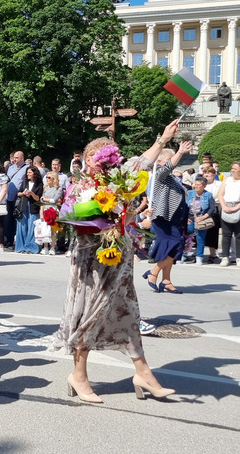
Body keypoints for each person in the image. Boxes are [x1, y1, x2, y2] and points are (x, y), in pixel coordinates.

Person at [54, 121, 181, 404]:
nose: (113, 161)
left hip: (120, 258)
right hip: (93, 261)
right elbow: (72, 218)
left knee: (128, 312)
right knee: (92, 314)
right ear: (90, 160)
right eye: (106, 157)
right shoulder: (79, 186)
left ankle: (143, 373)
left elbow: (143, 162)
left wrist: (163, 138)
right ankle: (78, 374)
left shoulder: (120, 179)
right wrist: (99, 219)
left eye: (114, 157)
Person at [143, 143, 193, 293]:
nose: (174, 162)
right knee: (176, 245)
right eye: (170, 159)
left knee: (170, 249)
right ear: (160, 162)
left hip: (175, 220)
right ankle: (154, 272)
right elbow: (168, 167)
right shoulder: (160, 174)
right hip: (164, 218)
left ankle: (166, 281)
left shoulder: (172, 179)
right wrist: (180, 152)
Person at [217, 161, 240, 267]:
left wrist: (237, 207)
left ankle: (239, 257)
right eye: (232, 168)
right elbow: (221, 193)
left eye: (235, 169)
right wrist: (223, 206)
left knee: (239, 234)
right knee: (226, 234)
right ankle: (225, 257)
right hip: (226, 207)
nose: (232, 170)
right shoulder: (227, 180)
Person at [186, 178, 216, 265]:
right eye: (196, 184)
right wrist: (186, 217)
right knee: (187, 237)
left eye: (199, 185)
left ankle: (199, 257)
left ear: (204, 186)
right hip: (190, 218)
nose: (196, 186)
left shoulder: (208, 195)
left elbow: (211, 208)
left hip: (202, 218)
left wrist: (203, 217)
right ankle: (184, 255)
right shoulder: (190, 193)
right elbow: (184, 206)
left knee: (200, 238)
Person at [14, 166, 44, 254]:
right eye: (27, 172)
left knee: (32, 227)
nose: (28, 174)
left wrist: (31, 193)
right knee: (21, 227)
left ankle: (31, 247)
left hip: (33, 206)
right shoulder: (24, 182)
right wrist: (23, 193)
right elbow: (18, 193)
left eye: (30, 172)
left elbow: (38, 198)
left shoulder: (39, 184)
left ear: (35, 173)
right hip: (23, 206)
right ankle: (20, 246)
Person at [5, 151, 28, 247]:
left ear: (22, 159)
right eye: (14, 157)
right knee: (8, 218)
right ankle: (9, 239)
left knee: (18, 218)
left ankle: (18, 241)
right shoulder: (10, 168)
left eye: (17, 158)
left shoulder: (26, 168)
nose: (14, 159)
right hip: (9, 196)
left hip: (19, 197)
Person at [39, 171, 64, 255]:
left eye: (49, 177)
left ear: (54, 178)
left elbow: (54, 200)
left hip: (53, 209)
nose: (47, 179)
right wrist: (41, 212)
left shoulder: (58, 188)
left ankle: (52, 247)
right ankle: (45, 247)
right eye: (46, 177)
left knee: (53, 230)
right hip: (45, 209)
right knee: (45, 230)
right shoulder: (45, 188)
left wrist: (44, 199)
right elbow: (41, 201)